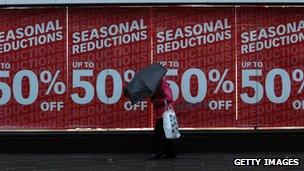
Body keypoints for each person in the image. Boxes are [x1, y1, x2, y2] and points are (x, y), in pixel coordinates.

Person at [150, 77, 177, 159]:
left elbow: (169, 98)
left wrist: (156, 101)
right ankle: (169, 153)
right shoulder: (155, 86)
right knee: (164, 134)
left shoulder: (162, 84)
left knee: (159, 133)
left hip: (165, 113)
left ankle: (159, 153)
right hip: (161, 113)